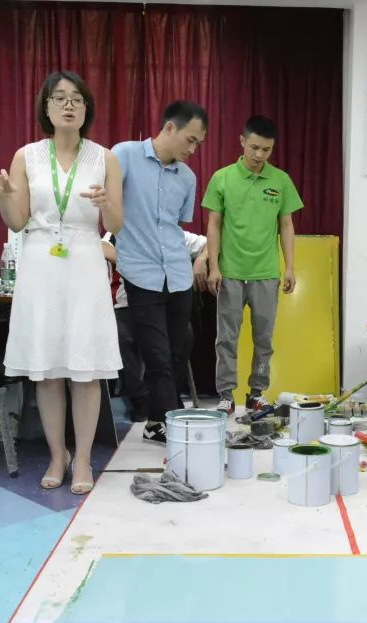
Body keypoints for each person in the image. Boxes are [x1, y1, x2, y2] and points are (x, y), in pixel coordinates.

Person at [0, 71, 123, 495]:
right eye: (60, 98)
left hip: (84, 261)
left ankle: (82, 457)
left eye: (77, 98)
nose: (69, 105)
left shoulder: (105, 158)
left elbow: (118, 223)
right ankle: (56, 454)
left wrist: (107, 203)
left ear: (87, 108)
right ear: (46, 107)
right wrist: (5, 195)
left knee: (85, 370)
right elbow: (17, 221)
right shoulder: (26, 156)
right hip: (40, 261)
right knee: (47, 370)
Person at [112, 101, 207, 444]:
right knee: (157, 355)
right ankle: (173, 426)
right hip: (140, 274)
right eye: (190, 140)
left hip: (178, 275)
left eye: (198, 143)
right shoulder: (123, 155)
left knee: (178, 352)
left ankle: (156, 422)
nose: (193, 149)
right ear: (169, 128)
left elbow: (175, 227)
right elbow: (110, 210)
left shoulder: (188, 177)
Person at [200, 116, 303, 414]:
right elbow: (214, 225)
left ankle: (256, 393)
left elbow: (286, 225)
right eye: (254, 147)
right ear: (242, 141)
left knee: (264, 339)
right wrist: (214, 266)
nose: (259, 155)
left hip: (266, 273)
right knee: (226, 339)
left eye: (266, 150)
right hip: (230, 273)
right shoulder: (222, 178)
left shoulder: (280, 181)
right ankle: (226, 395)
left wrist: (290, 267)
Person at [111, 229, 208, 423]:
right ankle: (141, 399)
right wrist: (135, 259)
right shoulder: (126, 229)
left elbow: (208, 242)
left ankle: (170, 394)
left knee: (185, 335)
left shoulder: (173, 233)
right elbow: (104, 245)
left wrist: (201, 259)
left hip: (167, 305)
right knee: (123, 337)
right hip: (128, 306)